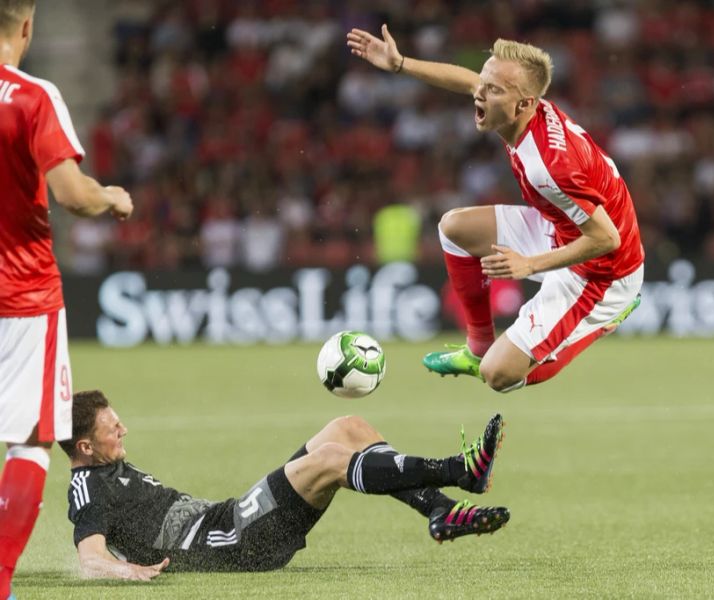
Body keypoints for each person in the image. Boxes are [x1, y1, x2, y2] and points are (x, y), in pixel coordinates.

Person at [347, 26, 644, 393]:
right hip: (560, 228)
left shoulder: (547, 166)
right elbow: (468, 80)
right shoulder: (523, 110)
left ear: (523, 104)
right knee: (454, 228)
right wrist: (400, 64)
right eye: (484, 84)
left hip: (602, 272)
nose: (479, 94)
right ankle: (478, 347)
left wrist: (529, 264)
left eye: (493, 90)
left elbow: (606, 238)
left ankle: (608, 319)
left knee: (498, 375)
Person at [61, 391, 508, 578]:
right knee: (332, 461)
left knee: (347, 427)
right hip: (232, 542)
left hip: (230, 519)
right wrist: (129, 570)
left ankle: (438, 509)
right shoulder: (88, 488)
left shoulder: (103, 464)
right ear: (84, 445)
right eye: (112, 428)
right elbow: (90, 558)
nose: (124, 431)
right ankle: (457, 469)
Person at [0, 1, 134, 596]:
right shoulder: (33, 97)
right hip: (22, 293)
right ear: (26, 26)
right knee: (29, 440)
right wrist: (111, 196)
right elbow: (72, 195)